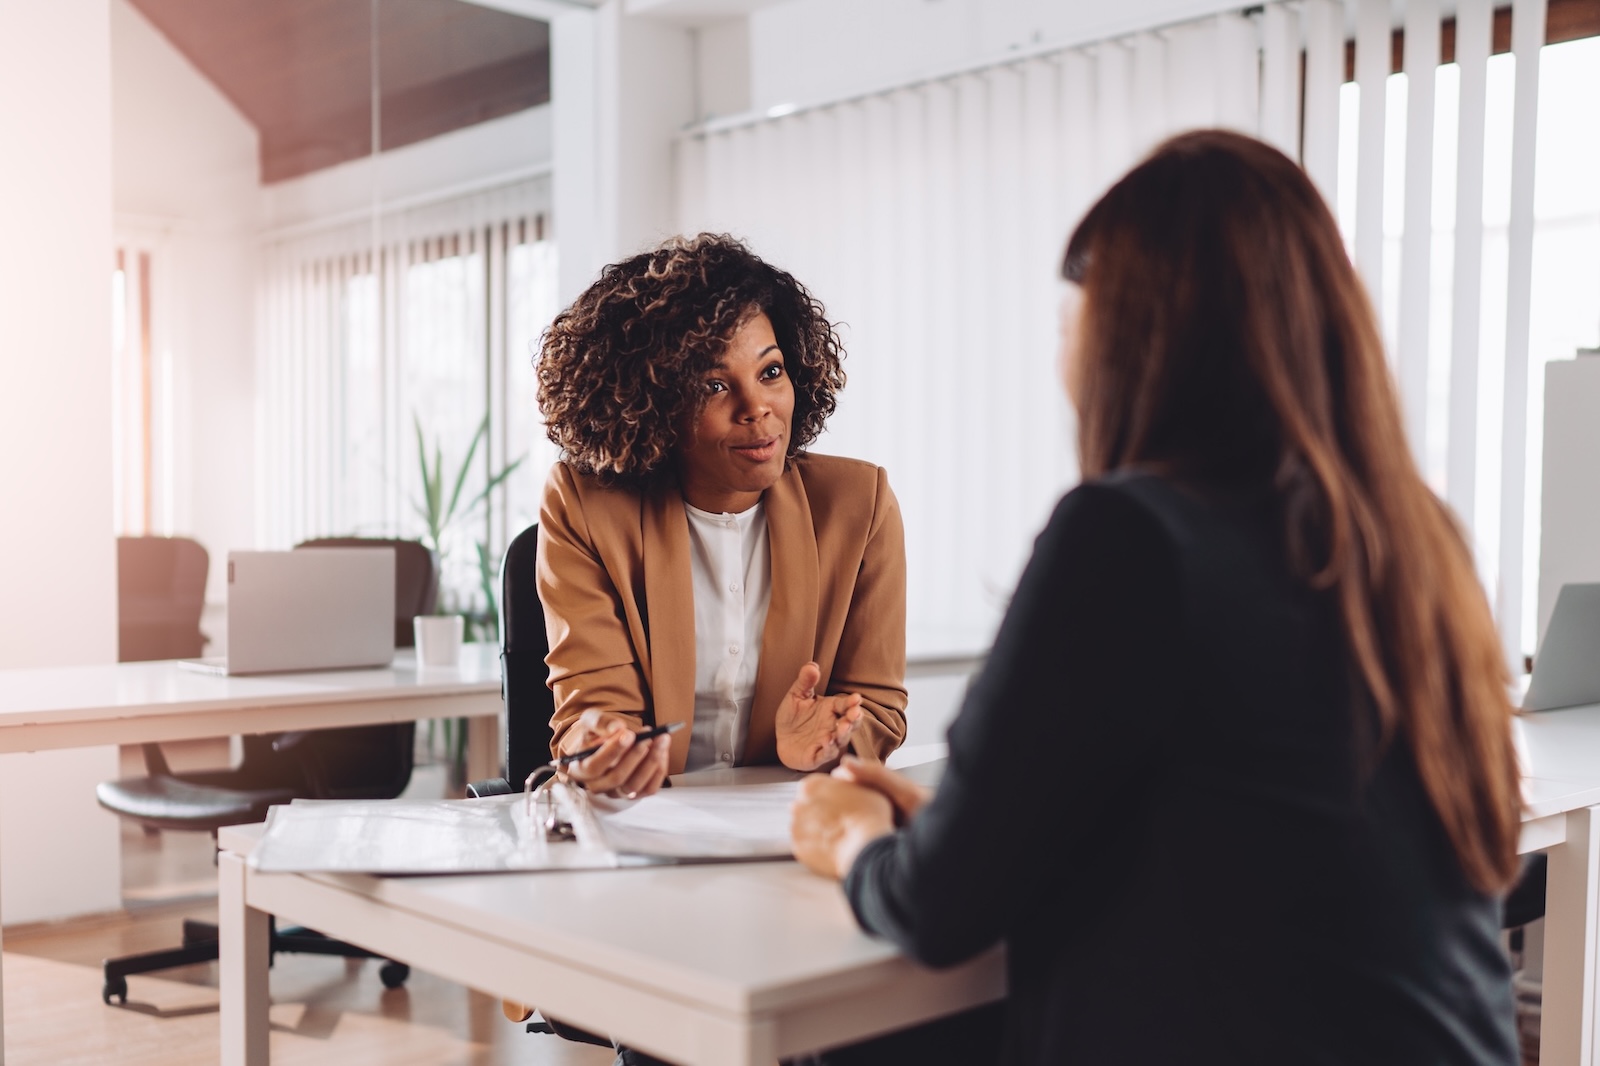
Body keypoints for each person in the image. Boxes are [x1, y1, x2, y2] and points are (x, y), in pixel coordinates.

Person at [791, 129, 1522, 1065]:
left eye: (1070, 320)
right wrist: (954, 828)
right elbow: (1236, 834)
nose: (1062, 356)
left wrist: (853, 841)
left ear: (1135, 334)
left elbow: (936, 909)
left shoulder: (1128, 536)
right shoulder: (1417, 537)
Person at [534, 231, 908, 794]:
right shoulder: (585, 506)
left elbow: (876, 705)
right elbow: (590, 707)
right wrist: (602, 741)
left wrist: (829, 742)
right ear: (652, 404)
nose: (756, 407)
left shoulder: (859, 506)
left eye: (770, 372)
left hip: (788, 827)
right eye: (713, 384)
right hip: (645, 825)